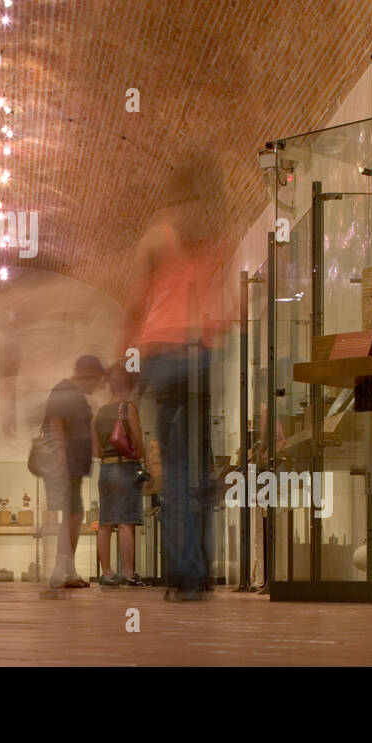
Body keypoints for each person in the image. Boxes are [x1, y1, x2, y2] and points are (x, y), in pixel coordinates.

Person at [122, 181, 224, 601]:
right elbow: (217, 307)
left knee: (177, 471)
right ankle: (201, 572)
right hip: (199, 354)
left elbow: (134, 305)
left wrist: (126, 360)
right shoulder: (208, 238)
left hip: (163, 354)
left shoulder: (157, 236)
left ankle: (183, 576)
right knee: (200, 467)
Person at [42, 354, 105, 589]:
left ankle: (68, 570)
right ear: (87, 374)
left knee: (73, 516)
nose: (97, 385)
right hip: (65, 465)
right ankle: (61, 571)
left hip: (74, 465)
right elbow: (55, 421)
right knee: (71, 517)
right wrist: (59, 455)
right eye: (96, 378)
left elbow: (86, 428)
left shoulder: (77, 396)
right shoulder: (65, 391)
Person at [94, 362, 149, 587]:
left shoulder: (100, 411)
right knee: (126, 521)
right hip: (125, 467)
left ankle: (107, 574)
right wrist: (143, 458)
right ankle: (128, 574)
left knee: (106, 522)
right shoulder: (128, 407)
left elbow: (96, 448)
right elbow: (136, 436)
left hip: (105, 469)